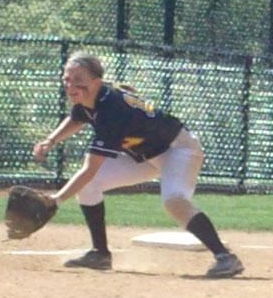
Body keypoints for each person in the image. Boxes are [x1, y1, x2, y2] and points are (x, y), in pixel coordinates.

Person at [33, 51, 245, 279]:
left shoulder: (111, 110)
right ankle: (100, 253)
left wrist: (56, 200)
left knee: (174, 201)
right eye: (67, 79)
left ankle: (225, 258)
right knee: (89, 185)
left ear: (96, 82)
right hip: (145, 154)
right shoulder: (90, 98)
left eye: (78, 81)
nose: (70, 85)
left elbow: (90, 168)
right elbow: (77, 117)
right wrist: (51, 140)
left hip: (177, 149)